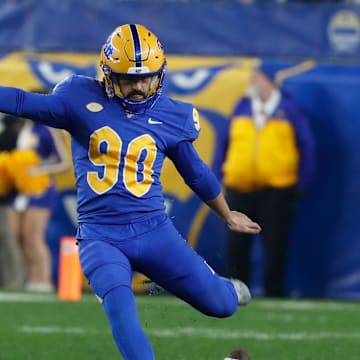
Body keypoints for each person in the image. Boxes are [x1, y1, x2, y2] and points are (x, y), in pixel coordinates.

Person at [0, 24, 261, 359]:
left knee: (223, 306)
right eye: (128, 78)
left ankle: (225, 288)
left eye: (146, 77)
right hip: (101, 237)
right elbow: (22, 101)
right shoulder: (78, 99)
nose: (138, 86)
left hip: (155, 231)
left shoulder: (171, 115)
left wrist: (227, 213)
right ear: (109, 75)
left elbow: (195, 172)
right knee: (122, 313)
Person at [222, 68, 317, 298]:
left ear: (269, 80)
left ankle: (274, 293)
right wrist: (219, 175)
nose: (251, 81)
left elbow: (307, 147)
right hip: (240, 187)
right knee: (236, 245)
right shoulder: (242, 107)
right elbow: (225, 144)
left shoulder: (289, 109)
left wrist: (301, 184)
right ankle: (236, 292)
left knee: (275, 245)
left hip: (277, 189)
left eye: (257, 77)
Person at [8, 116, 70, 292]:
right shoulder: (18, 127)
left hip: (41, 190)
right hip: (19, 190)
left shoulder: (47, 129)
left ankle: (42, 281)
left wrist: (39, 171)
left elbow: (63, 162)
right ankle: (29, 279)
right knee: (18, 236)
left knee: (33, 236)